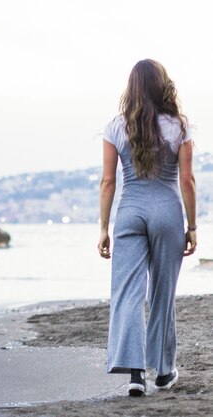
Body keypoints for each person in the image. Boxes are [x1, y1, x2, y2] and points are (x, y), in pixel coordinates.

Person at [97, 59, 197, 397]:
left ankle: (136, 375)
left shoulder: (115, 127)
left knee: (128, 293)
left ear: (132, 88)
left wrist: (103, 228)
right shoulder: (179, 127)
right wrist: (193, 225)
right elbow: (188, 180)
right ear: (162, 86)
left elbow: (108, 182)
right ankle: (164, 371)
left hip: (130, 212)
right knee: (162, 294)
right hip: (167, 212)